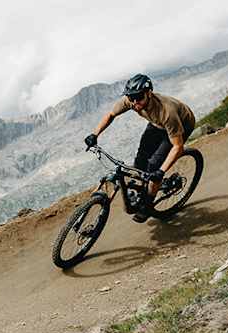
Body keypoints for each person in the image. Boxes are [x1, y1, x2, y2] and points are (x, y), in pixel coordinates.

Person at [84, 74, 197, 222]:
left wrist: (160, 171)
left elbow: (178, 146)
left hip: (181, 124)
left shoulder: (166, 111)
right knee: (140, 160)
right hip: (156, 124)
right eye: (132, 98)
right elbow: (111, 115)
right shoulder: (130, 100)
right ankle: (145, 188)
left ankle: (148, 205)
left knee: (155, 165)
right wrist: (95, 134)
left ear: (149, 93)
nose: (135, 102)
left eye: (138, 97)